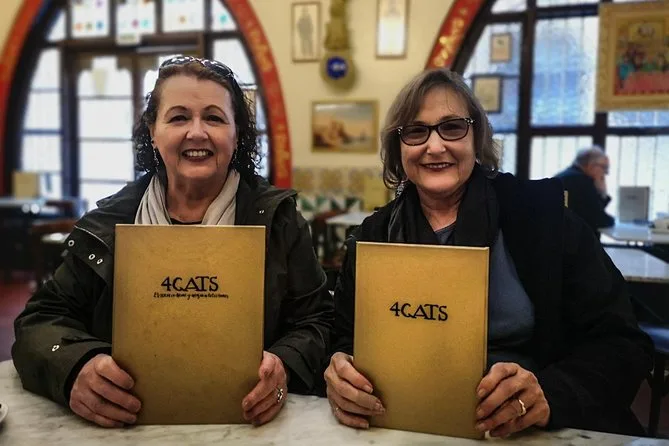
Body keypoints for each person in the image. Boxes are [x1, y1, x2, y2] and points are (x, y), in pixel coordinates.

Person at [324, 68, 653, 437]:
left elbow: (623, 342)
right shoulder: (374, 236)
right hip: (404, 427)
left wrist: (550, 393)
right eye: (416, 132)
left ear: (476, 136)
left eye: (452, 127)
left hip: (529, 432)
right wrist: (339, 369)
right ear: (398, 148)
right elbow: (346, 337)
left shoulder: (543, 219)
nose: (435, 146)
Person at [12, 56, 333, 428]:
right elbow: (39, 322)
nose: (197, 132)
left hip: (249, 423)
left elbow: (318, 321)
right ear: (153, 131)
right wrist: (75, 366)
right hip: (126, 424)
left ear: (237, 134)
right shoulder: (109, 223)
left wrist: (284, 366)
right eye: (179, 117)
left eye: (214, 118)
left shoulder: (280, 221)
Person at [555, 146, 615, 233]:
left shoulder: (565, 175)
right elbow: (600, 220)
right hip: (573, 237)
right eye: (604, 167)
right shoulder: (581, 181)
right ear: (591, 165)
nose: (606, 172)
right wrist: (602, 190)